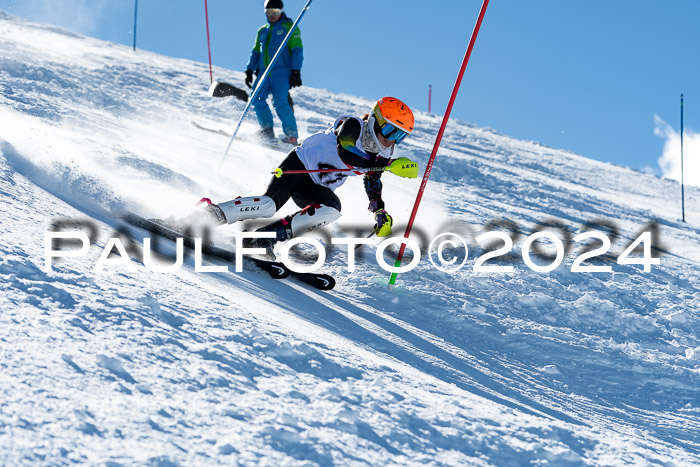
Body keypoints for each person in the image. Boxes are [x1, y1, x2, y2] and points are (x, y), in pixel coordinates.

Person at [193, 97, 419, 258]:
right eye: (390, 131)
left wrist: (379, 210)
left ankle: (259, 240)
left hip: (315, 184)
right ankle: (206, 216)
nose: (392, 140)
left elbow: (372, 178)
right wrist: (387, 165)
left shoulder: (382, 153)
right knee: (268, 205)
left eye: (400, 136)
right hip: (299, 166)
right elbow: (346, 152)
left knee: (331, 210)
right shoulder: (353, 125)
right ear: (376, 120)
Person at [245, 0, 303, 145]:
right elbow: (256, 52)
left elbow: (297, 50)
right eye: (269, 12)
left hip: (281, 72)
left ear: (281, 11)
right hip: (264, 72)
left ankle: (291, 136)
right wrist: (249, 69)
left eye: (275, 12)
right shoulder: (262, 30)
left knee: (280, 102)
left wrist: (296, 71)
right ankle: (267, 130)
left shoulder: (290, 27)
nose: (272, 15)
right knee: (256, 98)